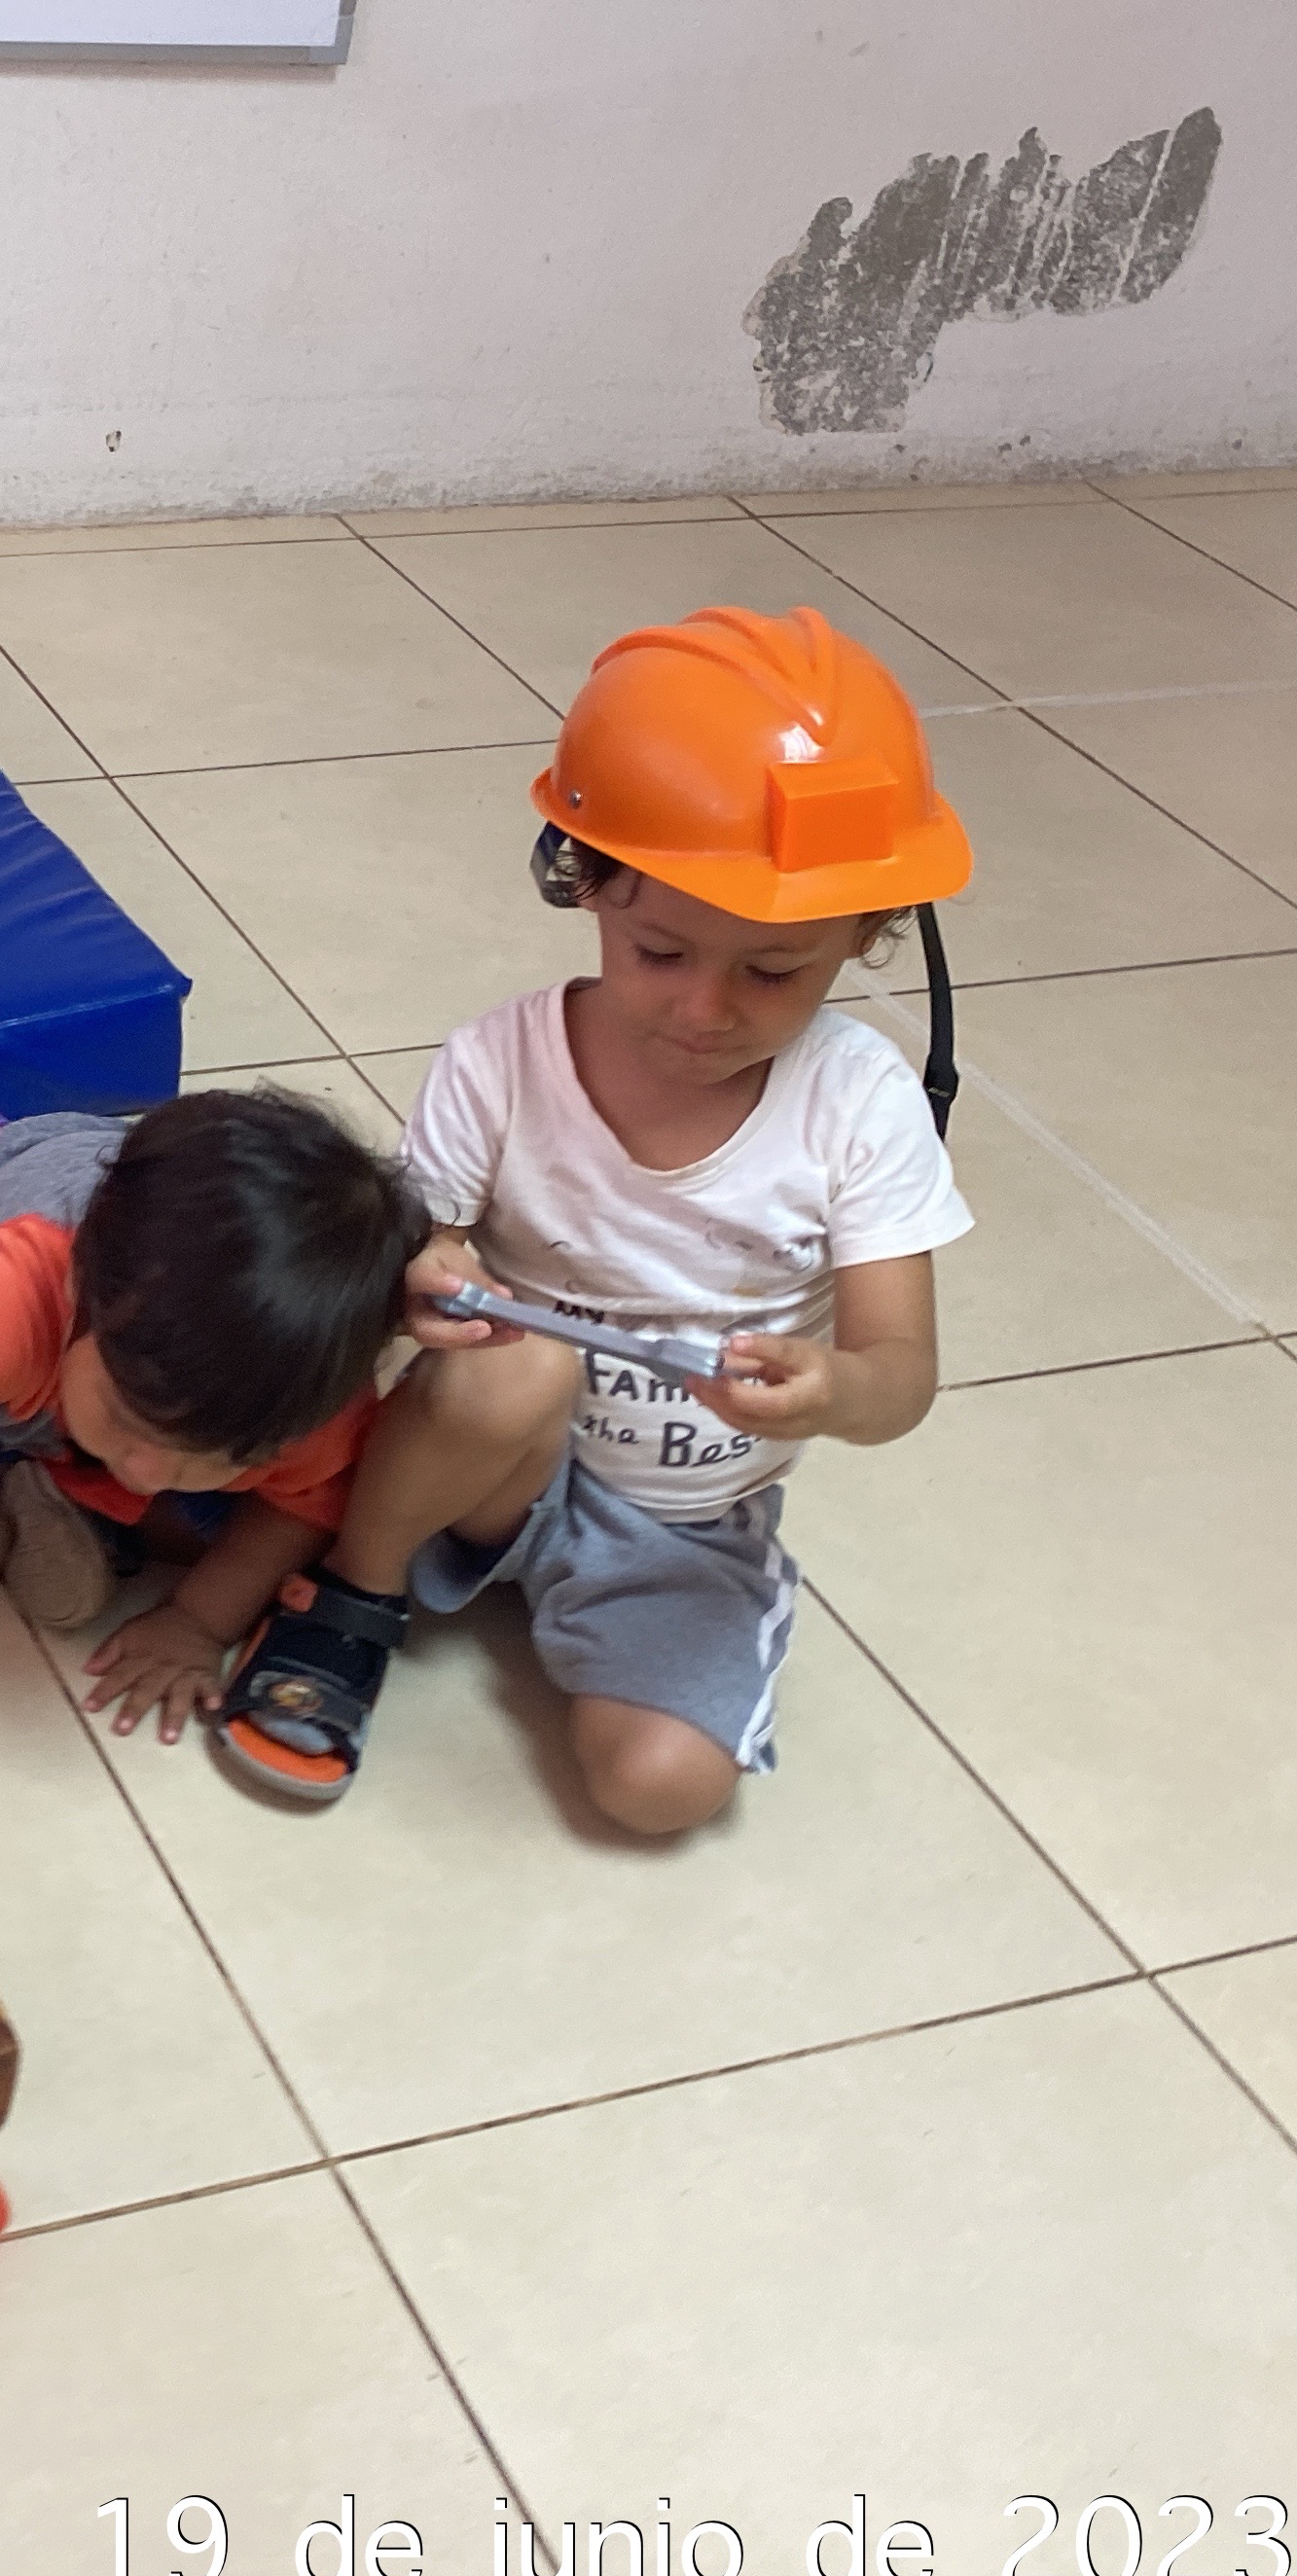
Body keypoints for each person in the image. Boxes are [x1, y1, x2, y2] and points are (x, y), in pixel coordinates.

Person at [213, 608, 975, 1821]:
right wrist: (424, 1274)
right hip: (486, 1458)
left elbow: (903, 1378)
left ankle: (530, 1592)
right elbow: (407, 1250)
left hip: (682, 1526)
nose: (705, 1010)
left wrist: (832, 1389)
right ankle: (357, 1589)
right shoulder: (502, 1061)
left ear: (867, 932)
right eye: (661, 950)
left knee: (663, 1790)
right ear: (584, 881)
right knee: (504, 1374)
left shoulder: (861, 1105)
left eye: (774, 970)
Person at [0, 1091, 424, 1744]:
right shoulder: (17, 1287)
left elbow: (298, 1511)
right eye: (128, 1419)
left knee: (271, 1534)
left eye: (218, 1456)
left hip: (50, 1400)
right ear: (78, 1286)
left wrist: (197, 1622)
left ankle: (38, 1490)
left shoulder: (307, 1396)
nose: (146, 1472)